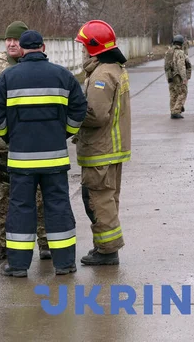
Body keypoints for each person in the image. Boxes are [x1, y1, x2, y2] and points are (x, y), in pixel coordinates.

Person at [0, 30, 87, 277]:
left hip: (21, 159)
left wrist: (9, 136)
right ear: (43, 47)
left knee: (21, 207)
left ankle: (19, 266)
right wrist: (65, 132)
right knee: (58, 206)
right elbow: (79, 108)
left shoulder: (9, 76)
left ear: (21, 48)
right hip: (55, 158)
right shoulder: (63, 75)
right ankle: (64, 264)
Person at [0, 21, 51, 262]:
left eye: (16, 40)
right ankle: (1, 243)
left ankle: (45, 242)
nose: (11, 43)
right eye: (7, 39)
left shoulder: (41, 67)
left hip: (34, 147)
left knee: (40, 196)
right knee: (4, 196)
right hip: (3, 149)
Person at [73, 20, 131, 266]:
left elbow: (95, 115)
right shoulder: (115, 69)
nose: (82, 50)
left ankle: (107, 251)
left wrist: (71, 117)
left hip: (100, 150)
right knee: (108, 199)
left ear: (93, 47)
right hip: (112, 149)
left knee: (98, 201)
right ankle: (106, 247)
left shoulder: (102, 75)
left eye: (84, 46)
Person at [164, 34, 191, 119]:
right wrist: (184, 78)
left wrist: (169, 76)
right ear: (181, 43)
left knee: (173, 94)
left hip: (170, 76)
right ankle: (176, 111)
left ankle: (173, 110)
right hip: (177, 76)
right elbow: (181, 66)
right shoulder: (180, 53)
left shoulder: (169, 52)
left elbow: (166, 65)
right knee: (183, 92)